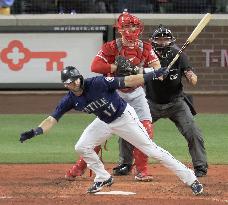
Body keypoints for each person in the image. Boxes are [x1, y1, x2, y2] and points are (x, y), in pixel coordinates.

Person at [20, 65, 203, 195]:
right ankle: (102, 176)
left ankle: (191, 179)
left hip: (124, 118)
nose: (74, 83)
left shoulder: (98, 83)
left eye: (75, 79)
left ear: (79, 77)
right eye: (69, 82)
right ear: (65, 85)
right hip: (104, 121)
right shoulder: (69, 99)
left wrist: (152, 75)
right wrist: (36, 131)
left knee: (151, 149)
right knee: (82, 146)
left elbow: (128, 80)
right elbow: (52, 119)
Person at [90, 11, 161, 181]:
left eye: (134, 25)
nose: (131, 29)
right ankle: (79, 167)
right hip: (114, 94)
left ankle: (142, 170)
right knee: (98, 133)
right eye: (127, 26)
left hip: (136, 93)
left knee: (146, 129)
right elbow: (95, 66)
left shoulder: (145, 47)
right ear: (120, 29)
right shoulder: (111, 47)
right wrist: (115, 68)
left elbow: (158, 70)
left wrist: (137, 71)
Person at [145, 25, 208, 177]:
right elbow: (138, 74)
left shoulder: (179, 55)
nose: (162, 42)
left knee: (193, 131)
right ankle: (125, 164)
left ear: (171, 41)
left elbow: (192, 78)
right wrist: (156, 71)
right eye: (159, 39)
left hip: (176, 103)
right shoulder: (147, 55)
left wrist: (191, 76)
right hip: (150, 103)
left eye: (165, 40)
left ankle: (200, 167)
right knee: (130, 128)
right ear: (153, 41)